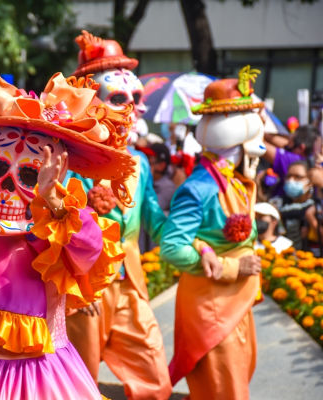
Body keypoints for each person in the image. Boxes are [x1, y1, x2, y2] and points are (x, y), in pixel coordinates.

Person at [0, 72, 135, 399]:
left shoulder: (59, 230)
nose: (7, 186)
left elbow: (88, 250)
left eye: (30, 175)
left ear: (56, 176)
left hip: (50, 376)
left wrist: (51, 198)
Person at [65, 30, 172, 400]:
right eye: (119, 98)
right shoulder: (70, 161)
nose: (133, 108)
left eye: (137, 98)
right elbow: (52, 228)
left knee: (155, 377)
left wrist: (199, 242)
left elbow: (155, 219)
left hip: (130, 285)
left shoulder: (140, 161)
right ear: (92, 102)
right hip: (84, 289)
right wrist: (76, 285)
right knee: (81, 384)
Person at [161, 66, 264, 399]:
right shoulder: (199, 187)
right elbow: (173, 247)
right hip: (212, 309)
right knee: (225, 390)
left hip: (236, 303)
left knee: (238, 381)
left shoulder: (236, 180)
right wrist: (233, 266)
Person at [263, 124, 319, 196]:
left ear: (301, 148)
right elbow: (285, 143)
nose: (287, 145)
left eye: (290, 143)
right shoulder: (309, 158)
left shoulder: (294, 161)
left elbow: (260, 145)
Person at [139, 142, 177, 214]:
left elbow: (149, 210)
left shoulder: (168, 188)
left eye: (148, 161)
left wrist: (146, 182)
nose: (142, 163)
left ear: (161, 166)